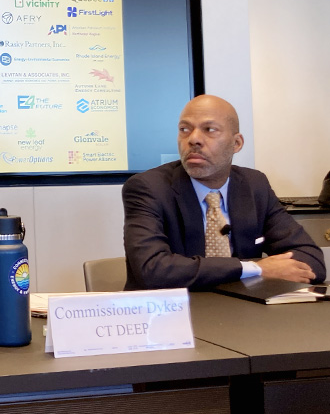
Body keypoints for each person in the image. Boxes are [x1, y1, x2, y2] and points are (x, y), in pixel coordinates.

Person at [123, 94, 325, 291]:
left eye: (209, 130)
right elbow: (152, 270)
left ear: (237, 143)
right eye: (184, 129)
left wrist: (265, 270)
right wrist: (256, 269)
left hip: (243, 307)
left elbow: (311, 259)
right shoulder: (148, 188)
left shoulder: (254, 185)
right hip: (175, 309)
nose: (193, 139)